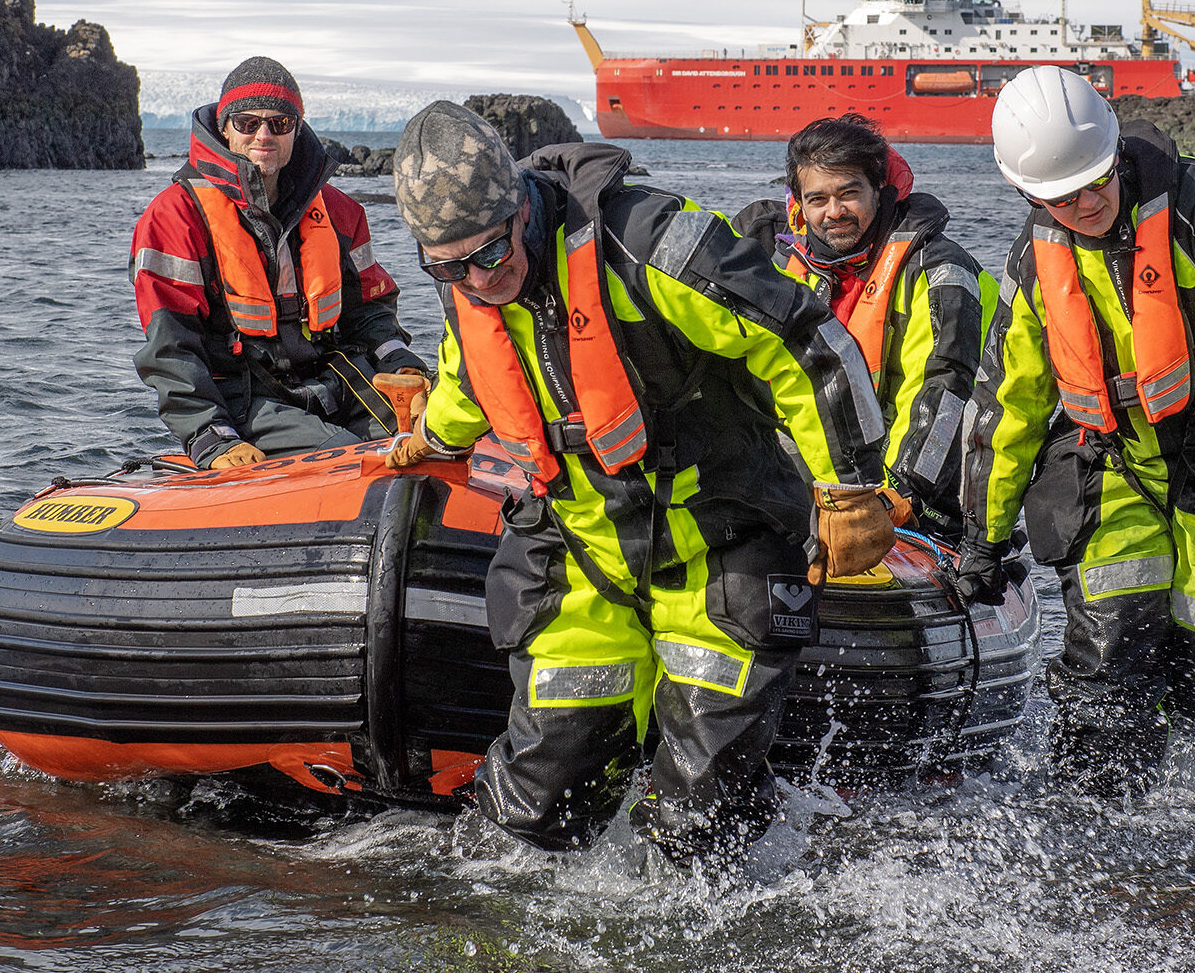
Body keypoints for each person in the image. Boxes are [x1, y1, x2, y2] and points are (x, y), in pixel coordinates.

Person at [379, 102, 898, 865]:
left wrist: (849, 490)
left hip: (721, 539)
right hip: (583, 551)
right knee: (530, 812)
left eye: (488, 256)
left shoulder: (650, 241)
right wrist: (426, 437)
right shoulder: (469, 285)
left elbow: (804, 341)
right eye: (448, 267)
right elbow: (470, 379)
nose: (478, 281)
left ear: (520, 210)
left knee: (698, 815)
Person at [957, 67, 1195, 792]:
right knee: (1108, 650)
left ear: (1114, 153)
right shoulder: (1033, 263)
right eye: (1062, 198)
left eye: (1097, 180)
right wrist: (981, 538)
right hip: (1111, 463)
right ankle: (1095, 824)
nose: (1087, 202)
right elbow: (1003, 406)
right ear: (1027, 195)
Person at [127, 57, 427, 469]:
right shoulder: (174, 217)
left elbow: (370, 312)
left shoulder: (341, 212)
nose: (263, 135)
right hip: (246, 397)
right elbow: (170, 348)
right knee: (352, 463)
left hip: (339, 382)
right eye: (247, 123)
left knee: (436, 433)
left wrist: (401, 363)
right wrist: (210, 436)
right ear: (224, 127)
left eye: (279, 123)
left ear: (297, 128)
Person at [731, 114, 995, 539]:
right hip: (794, 492)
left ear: (879, 190)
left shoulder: (937, 269)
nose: (834, 212)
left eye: (849, 194)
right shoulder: (772, 262)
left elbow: (942, 389)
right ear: (798, 203)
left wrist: (895, 496)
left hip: (908, 493)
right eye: (817, 199)